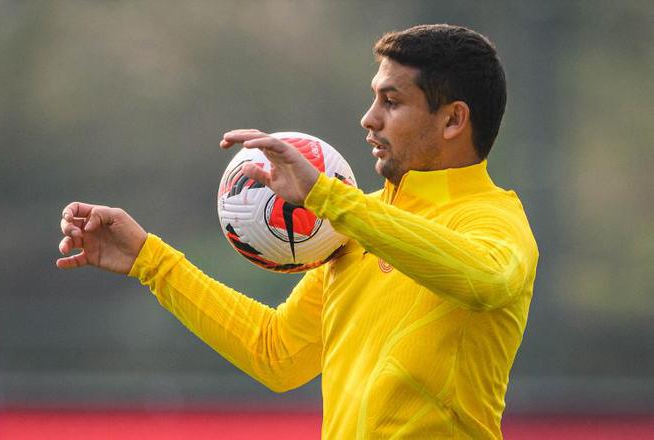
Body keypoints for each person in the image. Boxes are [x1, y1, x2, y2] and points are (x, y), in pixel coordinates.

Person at [57, 24, 538, 439]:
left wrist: (330, 199)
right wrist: (151, 260)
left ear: (453, 119)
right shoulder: (358, 221)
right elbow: (277, 353)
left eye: (391, 101)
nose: (369, 118)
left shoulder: (492, 219)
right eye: (374, 98)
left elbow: (485, 280)